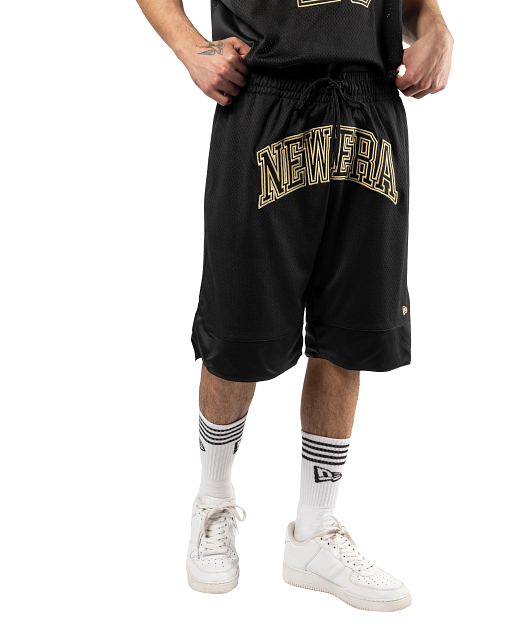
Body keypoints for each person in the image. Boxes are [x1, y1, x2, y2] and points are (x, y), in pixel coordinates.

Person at [136, 0, 453, 611]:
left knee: (352, 329)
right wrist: (187, 46)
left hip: (370, 100)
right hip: (266, 97)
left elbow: (415, 6)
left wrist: (435, 26)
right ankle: (213, 501)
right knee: (239, 328)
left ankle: (314, 532)